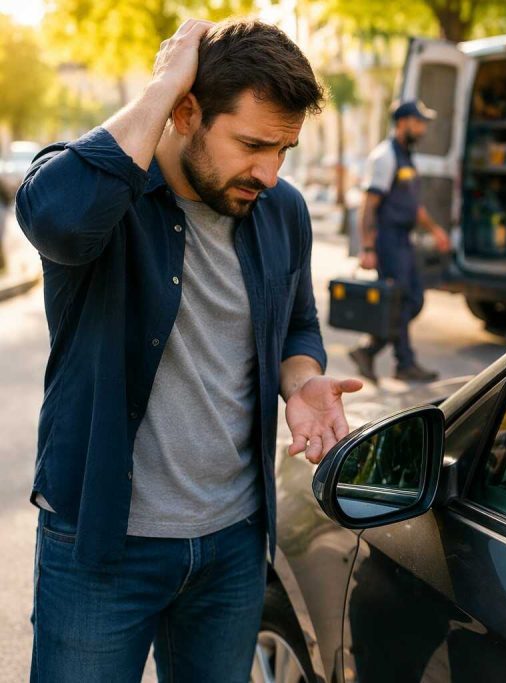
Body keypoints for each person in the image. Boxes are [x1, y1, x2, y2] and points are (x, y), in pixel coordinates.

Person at [16, 19, 362, 682]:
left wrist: (302, 380)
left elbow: (297, 324)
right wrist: (162, 84)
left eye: (284, 149)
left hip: (231, 547)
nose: (270, 171)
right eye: (253, 144)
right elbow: (54, 220)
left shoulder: (282, 209)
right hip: (100, 546)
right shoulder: (103, 196)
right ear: (186, 112)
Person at [348, 100, 451, 383]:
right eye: (420, 122)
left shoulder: (407, 156)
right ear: (403, 122)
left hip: (404, 239)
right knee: (401, 300)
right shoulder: (384, 157)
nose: (424, 127)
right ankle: (404, 362)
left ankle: (369, 350)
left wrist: (435, 230)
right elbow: (368, 205)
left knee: (412, 300)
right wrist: (367, 247)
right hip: (388, 240)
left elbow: (413, 204)